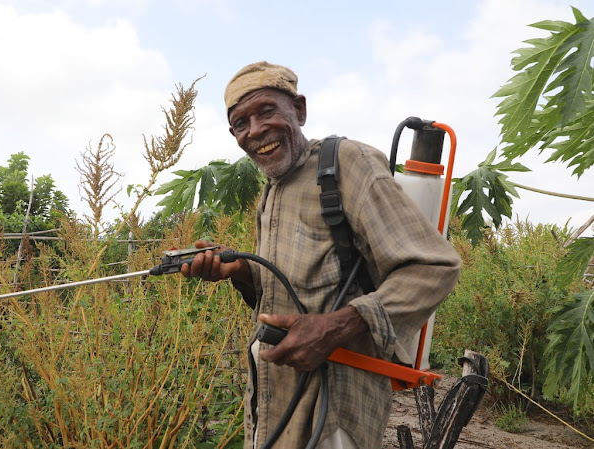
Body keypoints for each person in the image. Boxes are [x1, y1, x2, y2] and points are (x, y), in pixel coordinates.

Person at [181, 61, 461, 449]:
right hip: (272, 404)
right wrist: (241, 270)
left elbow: (434, 266)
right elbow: (294, 287)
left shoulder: (346, 163)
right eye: (241, 123)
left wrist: (334, 327)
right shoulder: (273, 189)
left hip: (335, 405)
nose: (256, 130)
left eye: (266, 111)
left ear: (299, 110)